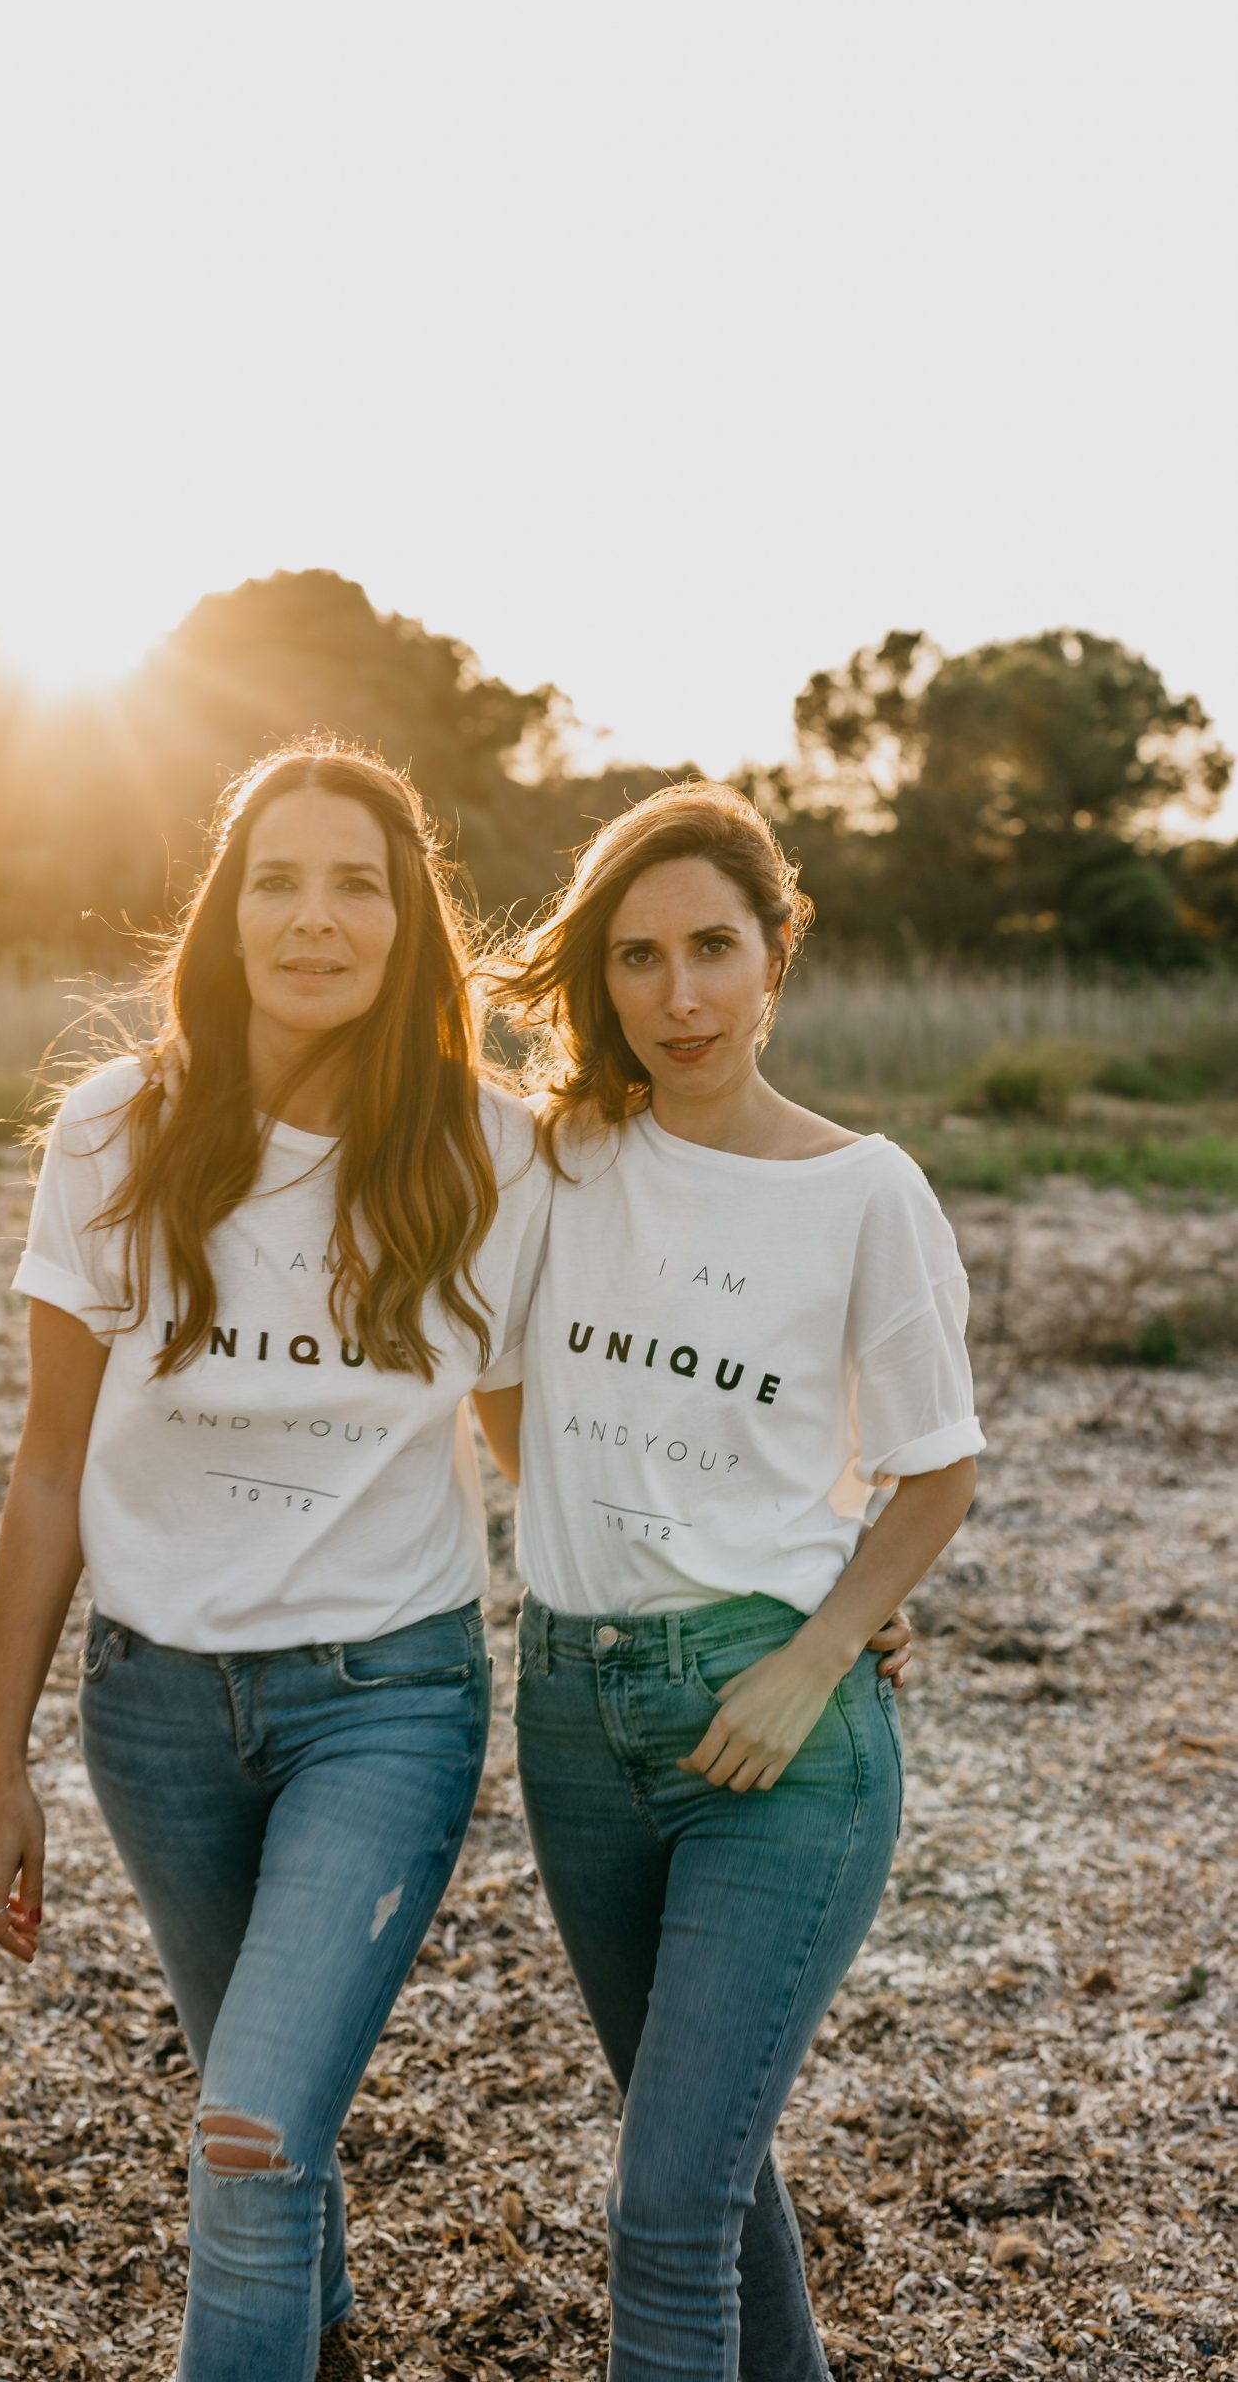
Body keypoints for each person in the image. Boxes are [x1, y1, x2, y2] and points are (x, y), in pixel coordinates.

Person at [0, 741, 551, 2382]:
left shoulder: (495, 1155)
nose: (315, 919)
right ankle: (326, 2335)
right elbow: (51, 1463)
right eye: (275, 883)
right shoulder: (112, 1132)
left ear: (406, 921)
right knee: (259, 2089)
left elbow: (537, 1445)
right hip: (152, 1715)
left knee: (243, 2128)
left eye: (356, 883)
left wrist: (795, 1598)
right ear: (224, 920)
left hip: (387, 1701)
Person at [484, 779, 981, 2382]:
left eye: (713, 947)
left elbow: (938, 1466)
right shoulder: (558, 1162)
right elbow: (503, 1390)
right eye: (637, 958)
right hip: (569, 1711)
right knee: (701, 2168)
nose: (678, 995)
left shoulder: (862, 1190)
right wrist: (605, 1519)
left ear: (778, 953)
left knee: (666, 2203)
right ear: (600, 982)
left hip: (777, 1730)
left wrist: (822, 1641)